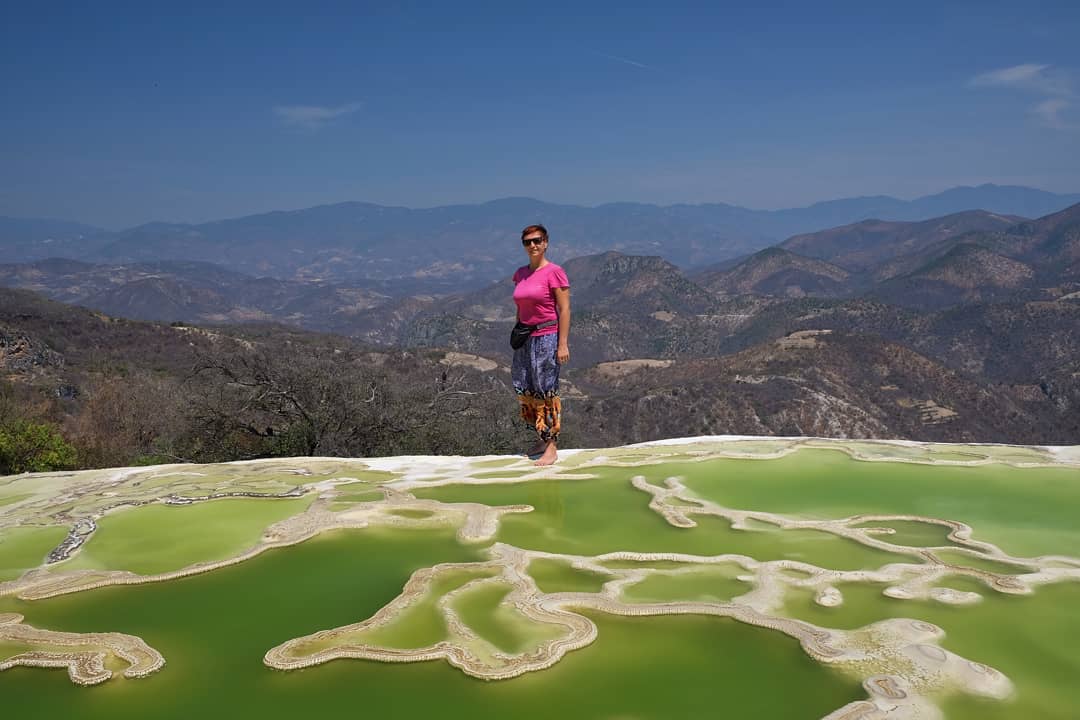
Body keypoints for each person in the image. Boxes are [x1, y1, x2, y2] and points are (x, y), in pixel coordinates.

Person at [512, 224, 570, 466]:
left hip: (547, 337)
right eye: (528, 242)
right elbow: (520, 307)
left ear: (546, 242)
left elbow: (564, 308)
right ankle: (542, 438)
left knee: (546, 388)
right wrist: (517, 331)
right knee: (525, 386)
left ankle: (552, 447)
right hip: (525, 336)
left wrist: (562, 343)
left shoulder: (554, 272)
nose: (533, 245)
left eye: (537, 240)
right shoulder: (520, 274)